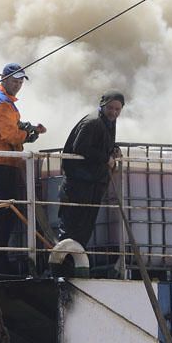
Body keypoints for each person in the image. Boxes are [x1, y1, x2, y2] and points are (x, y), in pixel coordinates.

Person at [0, 63, 46, 274]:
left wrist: (26, 128)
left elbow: (9, 128)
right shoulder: (2, 103)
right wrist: (29, 135)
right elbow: (9, 135)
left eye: (21, 81)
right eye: (15, 80)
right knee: (3, 217)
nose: (18, 84)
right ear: (3, 78)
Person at [58, 91, 125, 248]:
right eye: (110, 108)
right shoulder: (93, 122)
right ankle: (63, 267)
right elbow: (80, 147)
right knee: (72, 227)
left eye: (117, 109)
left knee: (84, 228)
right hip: (79, 183)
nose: (114, 112)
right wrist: (105, 158)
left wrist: (113, 149)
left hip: (92, 183)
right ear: (102, 105)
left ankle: (76, 265)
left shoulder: (107, 121)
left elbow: (98, 142)